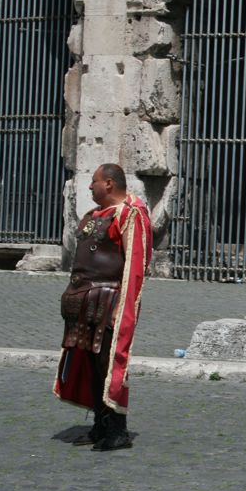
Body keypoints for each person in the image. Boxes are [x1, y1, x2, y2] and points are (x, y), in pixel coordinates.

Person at [55, 164, 153, 451]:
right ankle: (100, 424)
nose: (90, 187)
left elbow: (135, 265)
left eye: (94, 182)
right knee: (89, 363)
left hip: (109, 301)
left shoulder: (129, 213)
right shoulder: (97, 215)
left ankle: (117, 429)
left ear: (109, 184)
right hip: (84, 302)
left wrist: (123, 306)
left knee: (108, 364)